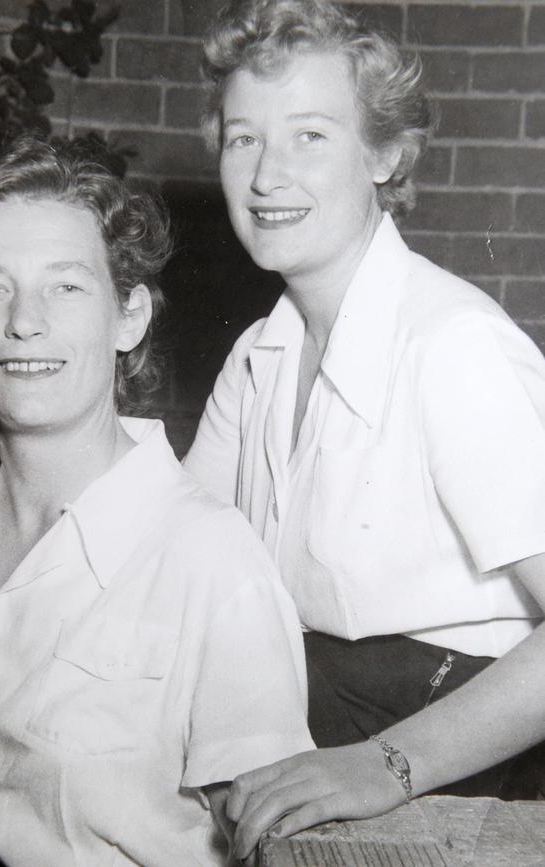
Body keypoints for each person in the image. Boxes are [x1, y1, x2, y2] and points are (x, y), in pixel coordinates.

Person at [180, 0, 545, 860]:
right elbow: (166, 553)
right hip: (315, 746)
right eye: (243, 138)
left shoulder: (451, 344)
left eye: (309, 135)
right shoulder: (259, 354)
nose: (267, 175)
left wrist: (388, 764)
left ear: (384, 153)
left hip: (471, 782)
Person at [0, 134, 314, 866]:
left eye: (66, 285)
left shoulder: (211, 563)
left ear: (130, 317)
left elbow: (276, 849)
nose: (24, 320)